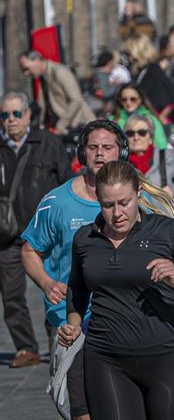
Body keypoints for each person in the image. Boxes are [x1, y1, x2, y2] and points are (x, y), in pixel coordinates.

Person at [57, 159, 174, 420]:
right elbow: (77, 289)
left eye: (124, 202)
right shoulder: (85, 238)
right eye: (108, 205)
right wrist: (73, 323)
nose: (117, 213)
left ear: (138, 193)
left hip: (168, 360)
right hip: (107, 360)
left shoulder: (165, 231)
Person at [22, 119, 129, 420]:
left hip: (121, 317)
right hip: (73, 322)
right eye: (93, 147)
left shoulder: (135, 198)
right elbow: (30, 250)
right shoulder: (56, 202)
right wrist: (45, 282)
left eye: (107, 147)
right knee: (78, 408)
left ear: (120, 152)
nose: (100, 154)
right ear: (82, 153)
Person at [1, 91, 70, 369]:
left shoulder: (48, 142)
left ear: (28, 114)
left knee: (51, 289)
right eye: (4, 115)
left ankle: (56, 339)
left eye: (16, 114)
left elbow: (65, 182)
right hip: (8, 235)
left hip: (46, 234)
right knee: (11, 294)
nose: (10, 121)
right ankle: (25, 348)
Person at [121, 114, 174, 200]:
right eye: (130, 133)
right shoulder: (121, 162)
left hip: (162, 211)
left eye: (142, 133)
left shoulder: (165, 156)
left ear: (151, 138)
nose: (136, 137)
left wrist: (171, 191)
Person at [19, 51, 95, 130]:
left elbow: (76, 100)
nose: (26, 73)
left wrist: (61, 124)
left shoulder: (59, 72)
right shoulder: (43, 77)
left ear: (37, 60)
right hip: (65, 127)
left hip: (79, 125)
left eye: (26, 68)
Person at [111, 84, 171, 155]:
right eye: (124, 99)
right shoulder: (113, 120)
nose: (128, 103)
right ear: (120, 101)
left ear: (140, 100)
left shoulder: (151, 119)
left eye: (133, 99)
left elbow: (161, 146)